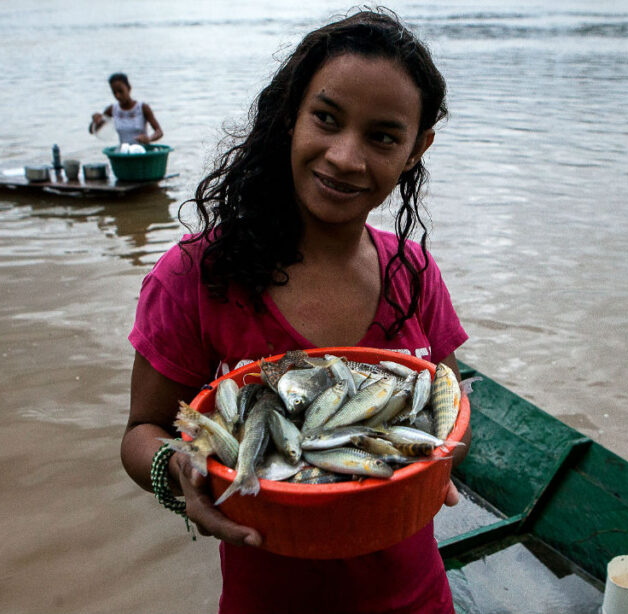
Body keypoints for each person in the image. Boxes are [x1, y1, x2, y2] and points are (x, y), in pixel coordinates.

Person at [120, 9, 469, 614]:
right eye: (326, 119)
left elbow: (449, 398)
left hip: (417, 597)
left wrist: (436, 465)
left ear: (417, 149)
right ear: (289, 115)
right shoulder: (197, 275)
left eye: (383, 136)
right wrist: (175, 469)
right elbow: (140, 432)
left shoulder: (414, 274)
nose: (344, 156)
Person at [90, 72, 163, 145]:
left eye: (120, 91)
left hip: (142, 151)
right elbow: (92, 131)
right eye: (114, 92)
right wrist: (95, 120)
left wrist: (149, 139)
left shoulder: (142, 108)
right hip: (124, 152)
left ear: (129, 88)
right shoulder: (112, 109)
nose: (117, 96)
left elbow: (159, 132)